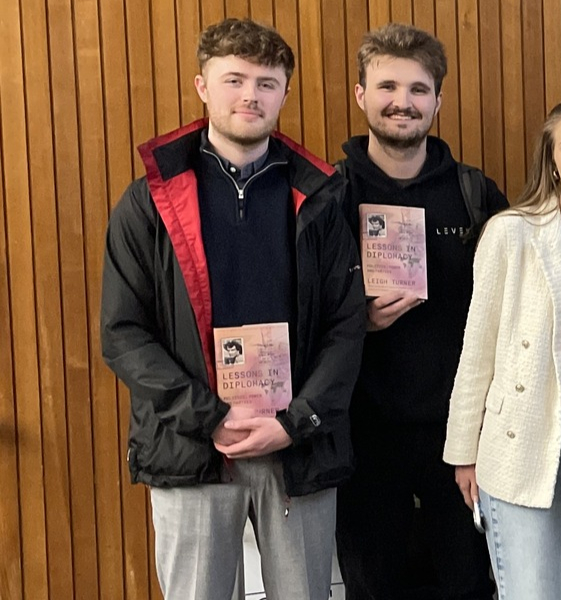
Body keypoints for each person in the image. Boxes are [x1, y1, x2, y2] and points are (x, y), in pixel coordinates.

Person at [100, 18, 364, 600]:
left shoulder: (322, 195)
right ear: (202, 86)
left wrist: (295, 422)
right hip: (193, 447)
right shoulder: (150, 199)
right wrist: (208, 416)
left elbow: (347, 328)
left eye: (266, 83)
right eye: (234, 79)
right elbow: (122, 333)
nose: (251, 95)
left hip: (296, 446)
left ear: (285, 94)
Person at [331, 24, 503, 600]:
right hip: (361, 436)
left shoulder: (476, 195)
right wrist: (361, 321)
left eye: (418, 89)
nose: (402, 102)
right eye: (386, 86)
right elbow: (297, 313)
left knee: (467, 586)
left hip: (457, 440)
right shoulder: (327, 196)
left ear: (437, 100)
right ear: (360, 95)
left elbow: (508, 315)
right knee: (373, 587)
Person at [445, 98, 561, 600]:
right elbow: (477, 347)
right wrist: (464, 454)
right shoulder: (510, 232)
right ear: (551, 158)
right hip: (518, 436)